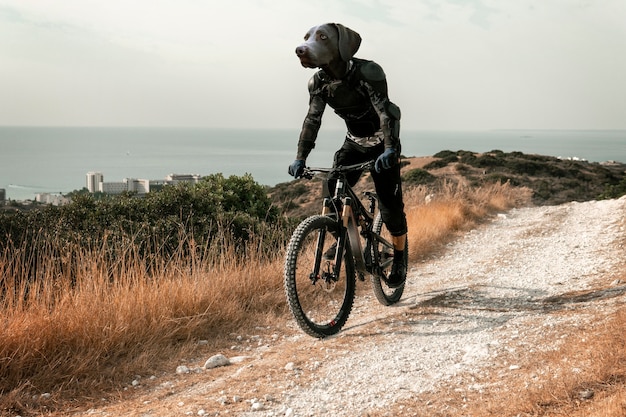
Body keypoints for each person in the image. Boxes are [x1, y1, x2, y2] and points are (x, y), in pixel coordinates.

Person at [288, 23, 408, 288]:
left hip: (382, 144)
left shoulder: (368, 72)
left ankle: (399, 257)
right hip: (353, 143)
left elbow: (386, 112)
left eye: (321, 38)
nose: (307, 45)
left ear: (343, 45)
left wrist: (390, 149)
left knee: (390, 207)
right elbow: (312, 120)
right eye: (307, 39)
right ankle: (342, 235)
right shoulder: (318, 83)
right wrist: (300, 157)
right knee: (331, 193)